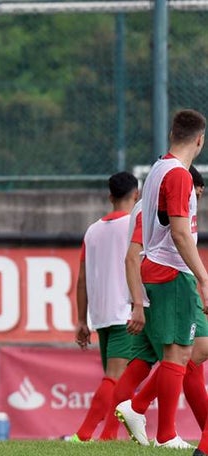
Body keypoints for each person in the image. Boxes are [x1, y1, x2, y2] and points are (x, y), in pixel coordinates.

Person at [115, 109, 208, 450]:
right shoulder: (180, 176)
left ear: (172, 133)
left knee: (195, 351)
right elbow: (181, 234)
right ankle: (161, 429)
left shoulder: (157, 170)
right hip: (172, 271)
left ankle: (140, 410)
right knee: (177, 355)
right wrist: (203, 278)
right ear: (200, 140)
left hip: (156, 269)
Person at [67, 171, 138, 442]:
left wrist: (81, 320)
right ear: (137, 195)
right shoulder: (135, 224)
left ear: (110, 197)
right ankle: (84, 435)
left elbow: (82, 279)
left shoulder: (92, 230)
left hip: (101, 316)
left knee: (122, 381)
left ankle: (111, 436)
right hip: (127, 314)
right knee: (115, 379)